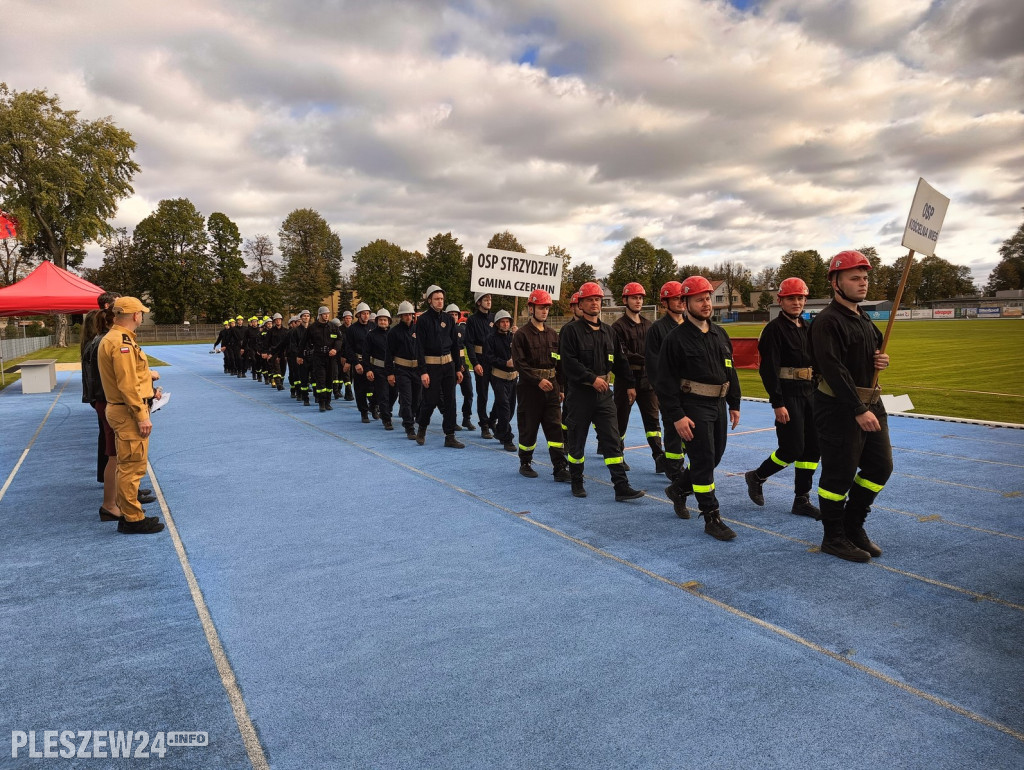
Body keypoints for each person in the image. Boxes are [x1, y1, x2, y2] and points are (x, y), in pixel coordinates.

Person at [809, 250, 892, 562]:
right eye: (854, 278)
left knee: (880, 467)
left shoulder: (865, 319)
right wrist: (858, 409)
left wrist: (881, 359)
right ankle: (833, 537)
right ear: (835, 282)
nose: (862, 283)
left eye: (865, 278)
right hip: (838, 406)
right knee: (838, 475)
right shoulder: (827, 322)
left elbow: (873, 353)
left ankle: (853, 525)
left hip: (871, 401)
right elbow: (833, 369)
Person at [654, 276, 740, 541]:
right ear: (685, 302)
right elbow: (664, 382)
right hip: (693, 406)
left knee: (714, 458)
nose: (706, 304)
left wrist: (734, 403)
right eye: (699, 299)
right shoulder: (675, 339)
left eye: (707, 298)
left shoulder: (719, 334)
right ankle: (711, 516)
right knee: (703, 461)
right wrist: (677, 416)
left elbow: (730, 370)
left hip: (718, 403)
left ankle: (679, 489)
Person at [558, 281, 644, 502]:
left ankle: (621, 486)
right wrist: (590, 378)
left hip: (604, 395)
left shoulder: (608, 331)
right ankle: (577, 481)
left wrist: (630, 383)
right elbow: (569, 363)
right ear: (581, 304)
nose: (594, 303)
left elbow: (621, 361)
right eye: (589, 300)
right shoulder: (570, 331)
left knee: (612, 439)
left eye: (597, 299)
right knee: (577, 440)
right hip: (580, 395)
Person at [744, 278, 821, 519]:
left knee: (812, 450)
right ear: (781, 301)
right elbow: (768, 369)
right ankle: (757, 476)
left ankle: (802, 499)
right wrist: (777, 402)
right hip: (788, 395)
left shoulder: (808, 327)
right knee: (792, 449)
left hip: (811, 393)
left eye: (800, 298)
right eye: (791, 298)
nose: (796, 302)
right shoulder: (774, 330)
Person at [97, 297, 164, 534]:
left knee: (129, 464)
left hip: (124, 408)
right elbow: (126, 384)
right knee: (131, 466)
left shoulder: (118, 339)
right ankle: (132, 518)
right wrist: (141, 415)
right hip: (127, 412)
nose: (142, 316)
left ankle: (130, 513)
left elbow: (132, 378)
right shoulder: (121, 343)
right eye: (142, 313)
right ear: (135, 315)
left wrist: (148, 389)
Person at [511, 289, 569, 481]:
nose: (544, 311)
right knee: (529, 427)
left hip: (551, 388)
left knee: (555, 427)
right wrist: (538, 381)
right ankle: (525, 462)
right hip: (530, 389)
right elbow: (520, 363)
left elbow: (559, 363)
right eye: (541, 307)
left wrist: (560, 387)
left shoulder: (553, 335)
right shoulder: (522, 335)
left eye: (546, 308)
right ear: (531, 308)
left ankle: (559, 467)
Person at [646, 281, 691, 517]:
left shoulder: (692, 325)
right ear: (665, 303)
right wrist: (664, 392)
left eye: (683, 299)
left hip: (694, 394)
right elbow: (654, 365)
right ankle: (675, 476)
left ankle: (685, 476)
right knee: (674, 436)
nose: (681, 303)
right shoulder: (658, 329)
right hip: (672, 393)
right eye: (676, 299)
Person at [612, 282, 665, 474]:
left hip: (647, 379)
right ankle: (618, 456)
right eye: (634, 297)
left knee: (653, 421)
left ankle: (659, 456)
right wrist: (629, 382)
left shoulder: (649, 325)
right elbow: (622, 356)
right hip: (627, 380)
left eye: (640, 298)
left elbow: (656, 352)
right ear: (625, 300)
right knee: (621, 420)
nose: (638, 301)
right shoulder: (617, 327)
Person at [415, 285, 465, 448]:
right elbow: (419, 348)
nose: (440, 301)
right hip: (431, 367)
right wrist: (423, 372)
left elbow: (455, 346)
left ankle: (449, 436)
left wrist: (458, 368)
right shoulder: (422, 320)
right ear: (430, 300)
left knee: (450, 402)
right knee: (430, 401)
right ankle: (422, 429)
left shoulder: (449, 319)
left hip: (449, 366)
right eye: (436, 299)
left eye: (442, 299)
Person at [386, 301, 421, 440]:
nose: (408, 317)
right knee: (406, 398)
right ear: (401, 316)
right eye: (405, 314)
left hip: (417, 370)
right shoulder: (394, 332)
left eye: (410, 314)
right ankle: (409, 427)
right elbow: (388, 354)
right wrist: (390, 373)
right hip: (402, 369)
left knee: (417, 399)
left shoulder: (418, 330)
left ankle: (410, 417)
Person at [485, 309, 518, 452]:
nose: (505, 324)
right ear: (497, 323)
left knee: (510, 409)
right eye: (502, 321)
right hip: (499, 377)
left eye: (507, 321)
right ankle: (506, 438)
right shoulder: (490, 339)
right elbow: (489, 358)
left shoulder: (514, 337)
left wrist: (519, 336)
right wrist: (505, 363)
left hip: (514, 379)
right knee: (504, 407)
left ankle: (494, 422)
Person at [465, 292, 495, 438]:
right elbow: (469, 343)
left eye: (490, 299)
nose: (489, 302)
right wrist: (475, 363)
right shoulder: (472, 320)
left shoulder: (495, 318)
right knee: (482, 395)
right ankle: (484, 425)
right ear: (478, 302)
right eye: (485, 299)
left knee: (503, 395)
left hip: (496, 361)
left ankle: (492, 420)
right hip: (481, 361)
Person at [365, 308, 396, 430]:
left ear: (389, 321)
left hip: (393, 369)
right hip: (378, 369)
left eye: (385, 320)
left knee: (394, 393)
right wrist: (368, 369)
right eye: (381, 320)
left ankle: (382, 408)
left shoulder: (394, 334)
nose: (383, 322)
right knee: (383, 394)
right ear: (377, 321)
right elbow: (366, 353)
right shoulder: (371, 335)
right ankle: (386, 419)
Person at [343, 302, 374, 422]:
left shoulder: (373, 327)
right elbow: (349, 348)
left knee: (374, 388)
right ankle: (364, 412)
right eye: (363, 314)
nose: (366, 316)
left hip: (372, 362)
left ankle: (374, 406)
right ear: (358, 315)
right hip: (359, 362)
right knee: (360, 389)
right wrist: (355, 363)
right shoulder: (352, 329)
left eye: (367, 313)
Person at [448, 303, 475, 430]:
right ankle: (450, 420)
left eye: (455, 314)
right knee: (450, 395)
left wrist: (463, 364)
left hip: (463, 363)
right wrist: (456, 365)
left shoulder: (462, 329)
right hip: (450, 364)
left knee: (469, 392)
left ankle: (466, 418)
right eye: (451, 314)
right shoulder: (443, 330)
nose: (453, 316)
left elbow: (466, 347)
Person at [306, 306, 338, 411]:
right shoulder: (312, 328)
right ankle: (321, 402)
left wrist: (335, 349)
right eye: (324, 314)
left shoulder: (333, 327)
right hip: (318, 357)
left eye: (328, 314)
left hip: (330, 358)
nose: (326, 315)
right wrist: (300, 355)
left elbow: (339, 339)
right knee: (321, 380)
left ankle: (328, 401)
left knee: (329, 380)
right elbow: (304, 342)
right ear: (319, 315)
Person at [288, 310, 312, 405]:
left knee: (315, 377)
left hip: (313, 357)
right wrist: (299, 355)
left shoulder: (312, 329)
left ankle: (317, 396)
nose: (306, 317)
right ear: (301, 318)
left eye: (307, 316)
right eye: (304, 316)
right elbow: (293, 345)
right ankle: (303, 396)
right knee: (303, 377)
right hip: (302, 357)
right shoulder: (295, 331)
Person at [340, 310, 355, 401]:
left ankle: (347, 391)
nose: (348, 320)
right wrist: (342, 355)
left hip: (352, 354)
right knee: (346, 374)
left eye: (349, 318)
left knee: (351, 374)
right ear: (343, 319)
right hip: (343, 355)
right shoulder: (339, 329)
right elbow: (339, 343)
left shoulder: (354, 328)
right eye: (346, 318)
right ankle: (349, 392)